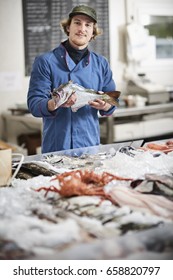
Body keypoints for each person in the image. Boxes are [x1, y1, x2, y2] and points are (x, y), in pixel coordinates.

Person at [27, 4, 117, 153]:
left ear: (92, 31)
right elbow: (34, 104)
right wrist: (54, 103)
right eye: (77, 23)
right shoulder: (45, 61)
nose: (82, 29)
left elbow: (112, 100)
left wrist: (105, 105)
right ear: (68, 27)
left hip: (90, 148)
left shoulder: (101, 64)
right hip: (56, 149)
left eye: (88, 25)